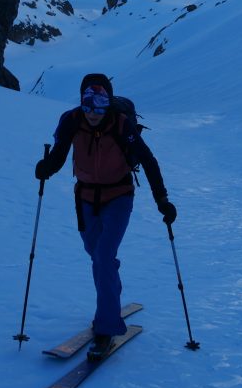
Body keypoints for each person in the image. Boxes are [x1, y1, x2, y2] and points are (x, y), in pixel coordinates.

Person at [34, 72, 177, 357]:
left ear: (108, 103)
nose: (93, 112)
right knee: (96, 254)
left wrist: (162, 199)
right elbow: (61, 154)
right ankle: (109, 293)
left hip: (119, 196)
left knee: (102, 257)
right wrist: (46, 167)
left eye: (100, 104)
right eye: (88, 103)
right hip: (85, 197)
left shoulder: (121, 124)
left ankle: (106, 328)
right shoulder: (71, 120)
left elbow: (148, 160)